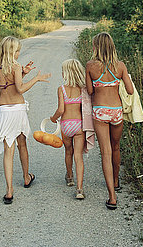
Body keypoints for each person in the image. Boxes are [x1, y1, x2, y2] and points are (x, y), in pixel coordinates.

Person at [0, 36, 51, 204]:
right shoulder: (15, 66)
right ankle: (26, 176)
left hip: (4, 111)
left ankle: (9, 190)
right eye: (17, 51)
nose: (18, 54)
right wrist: (36, 78)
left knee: (8, 151)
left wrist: (23, 73)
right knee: (22, 143)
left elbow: (8, 87)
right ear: (11, 51)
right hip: (18, 110)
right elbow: (20, 89)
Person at [85, 32, 134, 210]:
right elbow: (129, 90)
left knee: (105, 152)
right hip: (116, 112)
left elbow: (90, 91)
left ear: (96, 47)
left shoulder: (90, 66)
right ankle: (116, 180)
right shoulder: (120, 66)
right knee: (115, 147)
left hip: (99, 111)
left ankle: (112, 197)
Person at [50, 59, 87, 199]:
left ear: (66, 73)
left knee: (68, 151)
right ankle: (79, 189)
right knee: (79, 156)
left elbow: (61, 110)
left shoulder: (62, 89)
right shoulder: (82, 89)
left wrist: (53, 119)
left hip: (66, 125)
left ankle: (70, 177)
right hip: (79, 125)